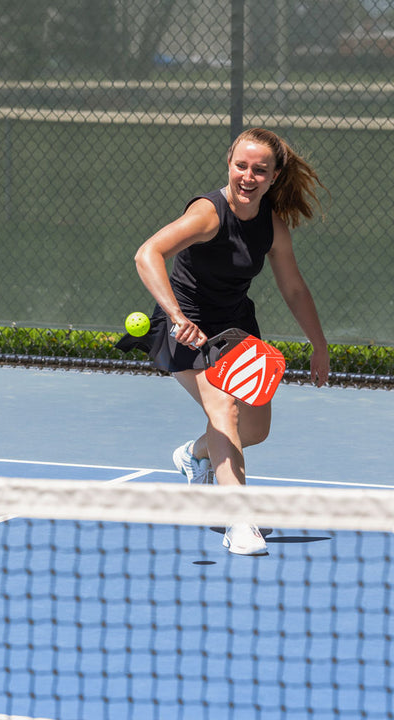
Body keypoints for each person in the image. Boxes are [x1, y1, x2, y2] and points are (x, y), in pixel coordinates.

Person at [117, 128, 330, 555]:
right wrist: (176, 317)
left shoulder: (272, 225)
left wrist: (318, 345)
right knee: (223, 409)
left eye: (259, 170)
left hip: (235, 329)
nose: (247, 177)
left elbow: (294, 289)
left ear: (273, 177)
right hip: (188, 326)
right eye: (241, 166)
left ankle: (196, 454)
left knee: (256, 428)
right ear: (229, 164)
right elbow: (147, 254)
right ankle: (238, 519)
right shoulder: (207, 214)